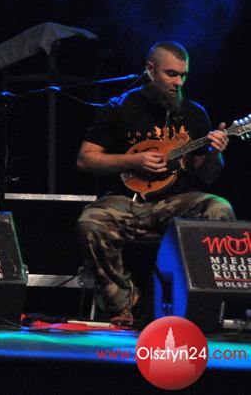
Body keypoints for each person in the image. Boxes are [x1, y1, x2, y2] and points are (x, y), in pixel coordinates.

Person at [75, 41, 235, 326]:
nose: (178, 82)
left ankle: (205, 306)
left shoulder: (194, 113)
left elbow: (207, 175)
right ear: (150, 70)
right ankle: (123, 303)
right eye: (171, 74)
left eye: (183, 75)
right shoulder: (119, 108)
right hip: (127, 201)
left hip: (177, 203)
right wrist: (132, 161)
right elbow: (85, 160)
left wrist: (214, 153)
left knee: (219, 208)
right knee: (91, 223)